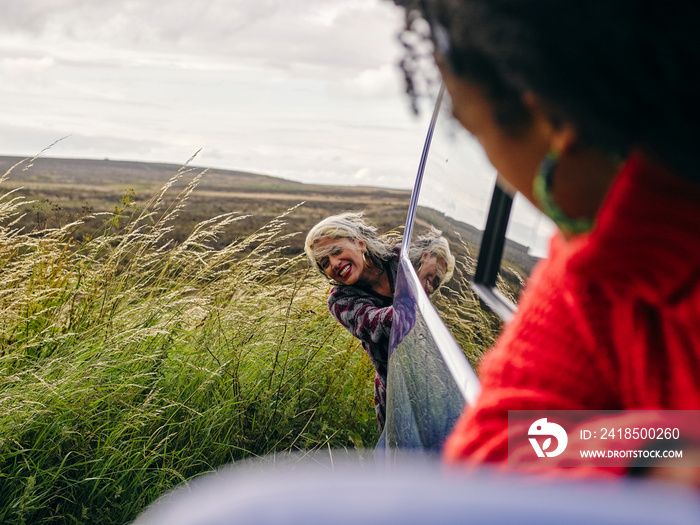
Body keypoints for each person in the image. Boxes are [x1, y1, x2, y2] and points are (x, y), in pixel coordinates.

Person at [393, 0, 700, 479]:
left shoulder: (608, 262)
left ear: (551, 124)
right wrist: (663, 453)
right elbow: (496, 443)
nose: (503, 176)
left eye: (474, 129)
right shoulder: (600, 261)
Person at [305, 212, 399, 433]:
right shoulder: (340, 300)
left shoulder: (401, 259)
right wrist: (413, 307)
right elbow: (372, 324)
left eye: (336, 251)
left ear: (360, 243)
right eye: (324, 263)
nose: (334, 264)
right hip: (396, 395)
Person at [408, 228, 455, 296]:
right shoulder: (393, 270)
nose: (433, 280)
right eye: (437, 270)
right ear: (425, 256)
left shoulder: (413, 296)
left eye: (437, 280)